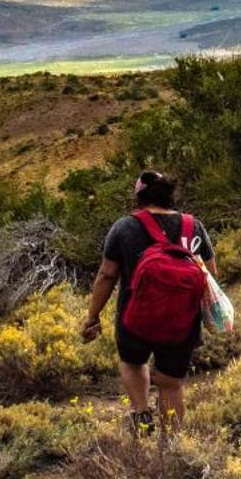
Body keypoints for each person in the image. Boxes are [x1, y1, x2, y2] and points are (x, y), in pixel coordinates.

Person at [80, 171, 216, 434]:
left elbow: (107, 274)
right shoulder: (193, 226)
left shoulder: (124, 227)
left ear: (139, 197)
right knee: (171, 383)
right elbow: (211, 274)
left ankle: (142, 413)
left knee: (133, 362)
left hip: (135, 317)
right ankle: (172, 447)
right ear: (168, 194)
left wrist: (93, 315)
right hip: (182, 321)